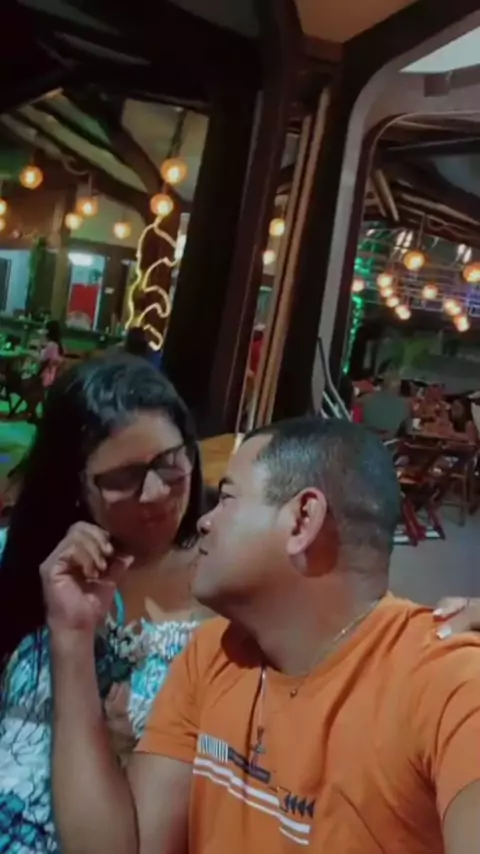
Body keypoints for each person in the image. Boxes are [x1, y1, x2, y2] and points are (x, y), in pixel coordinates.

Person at [44, 418, 480, 853]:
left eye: (227, 498)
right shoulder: (211, 654)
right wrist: (72, 634)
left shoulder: (447, 680)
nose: (204, 522)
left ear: (302, 520)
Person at [0, 353, 209, 852]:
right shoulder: (24, 564)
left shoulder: (222, 586)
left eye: (170, 463)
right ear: (74, 484)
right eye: (123, 478)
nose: (155, 492)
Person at [360, 372, 411, 437]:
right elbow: (409, 431)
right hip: (381, 439)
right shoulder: (404, 405)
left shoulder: (366, 398)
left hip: (365, 438)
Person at [40, 320, 64, 388]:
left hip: (46, 377)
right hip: (52, 376)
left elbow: (41, 360)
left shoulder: (51, 345)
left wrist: (29, 354)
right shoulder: (57, 345)